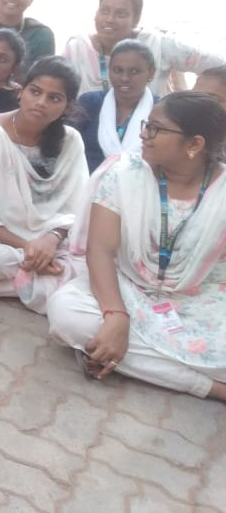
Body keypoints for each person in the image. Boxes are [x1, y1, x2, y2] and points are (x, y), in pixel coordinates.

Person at [47, 93, 226, 401]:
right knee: (67, 315)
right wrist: (116, 316)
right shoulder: (123, 173)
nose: (143, 134)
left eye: (156, 128)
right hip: (127, 288)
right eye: (146, 125)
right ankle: (208, 387)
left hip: (199, 299)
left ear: (194, 145)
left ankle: (120, 355)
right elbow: (100, 250)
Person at [0, 57, 89, 312]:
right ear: (20, 92)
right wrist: (31, 248)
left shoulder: (71, 141)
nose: (41, 103)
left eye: (54, 98)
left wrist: (52, 239)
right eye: (35, 92)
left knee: (96, 265)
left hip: (50, 234)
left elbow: (76, 205)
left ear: (67, 106)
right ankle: (49, 274)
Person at [61, 0, 224, 96]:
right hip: (89, 136)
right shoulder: (77, 49)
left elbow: (217, 63)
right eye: (104, 11)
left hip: (151, 135)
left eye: (121, 14)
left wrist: (194, 98)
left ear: (136, 20)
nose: (109, 19)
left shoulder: (158, 45)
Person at [71, 39, 157, 173]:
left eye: (134, 71)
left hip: (142, 190)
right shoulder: (89, 103)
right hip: (88, 188)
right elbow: (68, 147)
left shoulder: (161, 110)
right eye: (117, 70)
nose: (124, 78)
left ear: (151, 73)